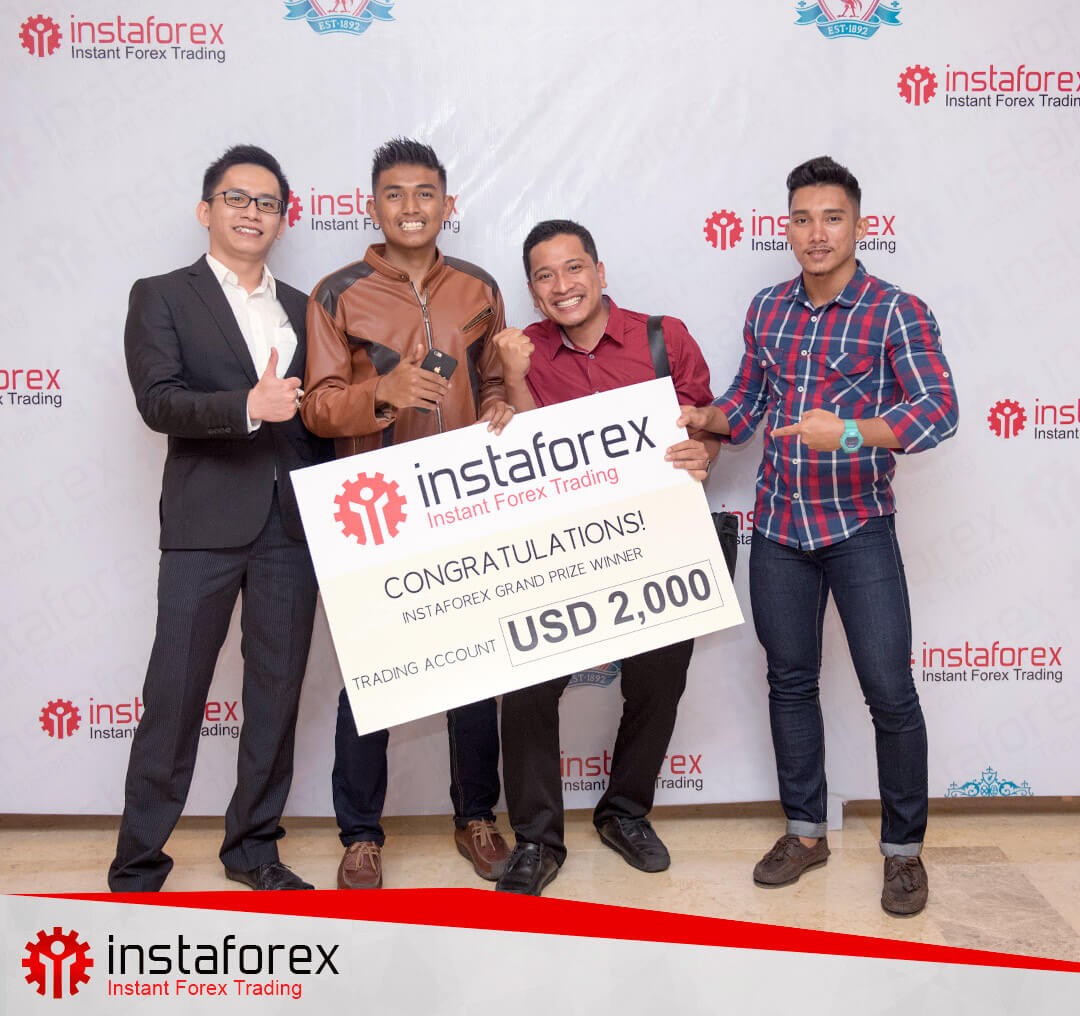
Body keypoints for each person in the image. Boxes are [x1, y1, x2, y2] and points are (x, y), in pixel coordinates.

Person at [679, 156, 958, 915]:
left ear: (859, 226)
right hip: (777, 529)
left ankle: (903, 853)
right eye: (802, 219)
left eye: (832, 218)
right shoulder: (768, 307)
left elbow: (938, 412)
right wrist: (709, 419)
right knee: (790, 684)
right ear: (788, 227)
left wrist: (852, 432)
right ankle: (805, 834)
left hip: (859, 526)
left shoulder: (896, 311)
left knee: (890, 693)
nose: (816, 233)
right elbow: (748, 402)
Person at [110, 144, 333, 892]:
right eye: (237, 198)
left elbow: (326, 412)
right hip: (204, 524)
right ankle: (138, 864)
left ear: (283, 219)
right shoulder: (161, 295)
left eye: (267, 203)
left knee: (275, 698)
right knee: (174, 697)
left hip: (290, 530)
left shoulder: (306, 306)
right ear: (206, 210)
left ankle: (254, 852)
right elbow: (158, 401)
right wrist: (247, 406)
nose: (251, 212)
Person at [301, 138, 513, 889]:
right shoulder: (337, 292)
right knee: (373, 678)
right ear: (372, 206)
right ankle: (360, 835)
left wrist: (498, 403)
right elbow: (319, 407)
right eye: (395, 194)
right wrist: (381, 395)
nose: (411, 207)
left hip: (465, 509)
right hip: (378, 516)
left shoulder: (480, 288)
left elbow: (496, 381)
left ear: (448, 204)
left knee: (475, 671)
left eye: (425, 193)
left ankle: (476, 817)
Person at [490, 219, 718, 896]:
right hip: (563, 550)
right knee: (527, 685)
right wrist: (514, 378)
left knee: (658, 681)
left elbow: (706, 422)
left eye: (574, 268)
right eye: (545, 275)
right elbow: (521, 451)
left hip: (657, 540)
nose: (562, 285)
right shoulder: (521, 350)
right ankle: (537, 838)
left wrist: (704, 450)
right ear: (532, 290)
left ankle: (625, 812)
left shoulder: (664, 337)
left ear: (600, 271)